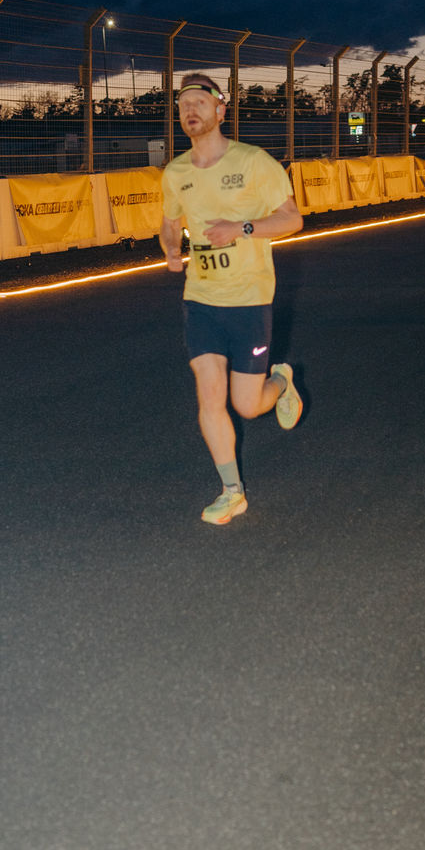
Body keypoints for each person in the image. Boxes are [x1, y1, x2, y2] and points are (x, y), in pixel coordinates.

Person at [159, 73, 304, 525]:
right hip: (201, 298)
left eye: (200, 103)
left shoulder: (254, 161)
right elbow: (169, 222)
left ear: (221, 110)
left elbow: (292, 219)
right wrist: (171, 250)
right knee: (208, 395)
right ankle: (232, 492)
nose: (191, 111)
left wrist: (240, 229)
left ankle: (281, 380)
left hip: (249, 298)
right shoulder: (175, 172)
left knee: (247, 405)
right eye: (184, 105)